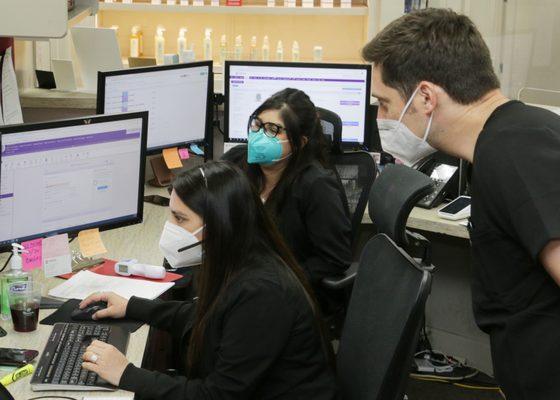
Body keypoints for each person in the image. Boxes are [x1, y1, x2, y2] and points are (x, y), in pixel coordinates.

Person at [361, 8, 560, 399]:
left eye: (384, 104)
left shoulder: (515, 151)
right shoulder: (510, 137)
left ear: (425, 97)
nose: (381, 119)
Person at [79, 162, 339, 400]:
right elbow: (209, 316)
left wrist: (126, 373)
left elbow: (219, 395)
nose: (170, 226)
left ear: (219, 224)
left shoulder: (262, 291)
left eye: (180, 218)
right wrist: (132, 307)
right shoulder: (238, 258)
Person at [222, 88, 352, 309]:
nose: (260, 134)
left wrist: (273, 280)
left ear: (300, 142)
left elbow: (333, 259)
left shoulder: (316, 185)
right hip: (240, 275)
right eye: (257, 124)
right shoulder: (237, 161)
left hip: (288, 291)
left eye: (273, 129)